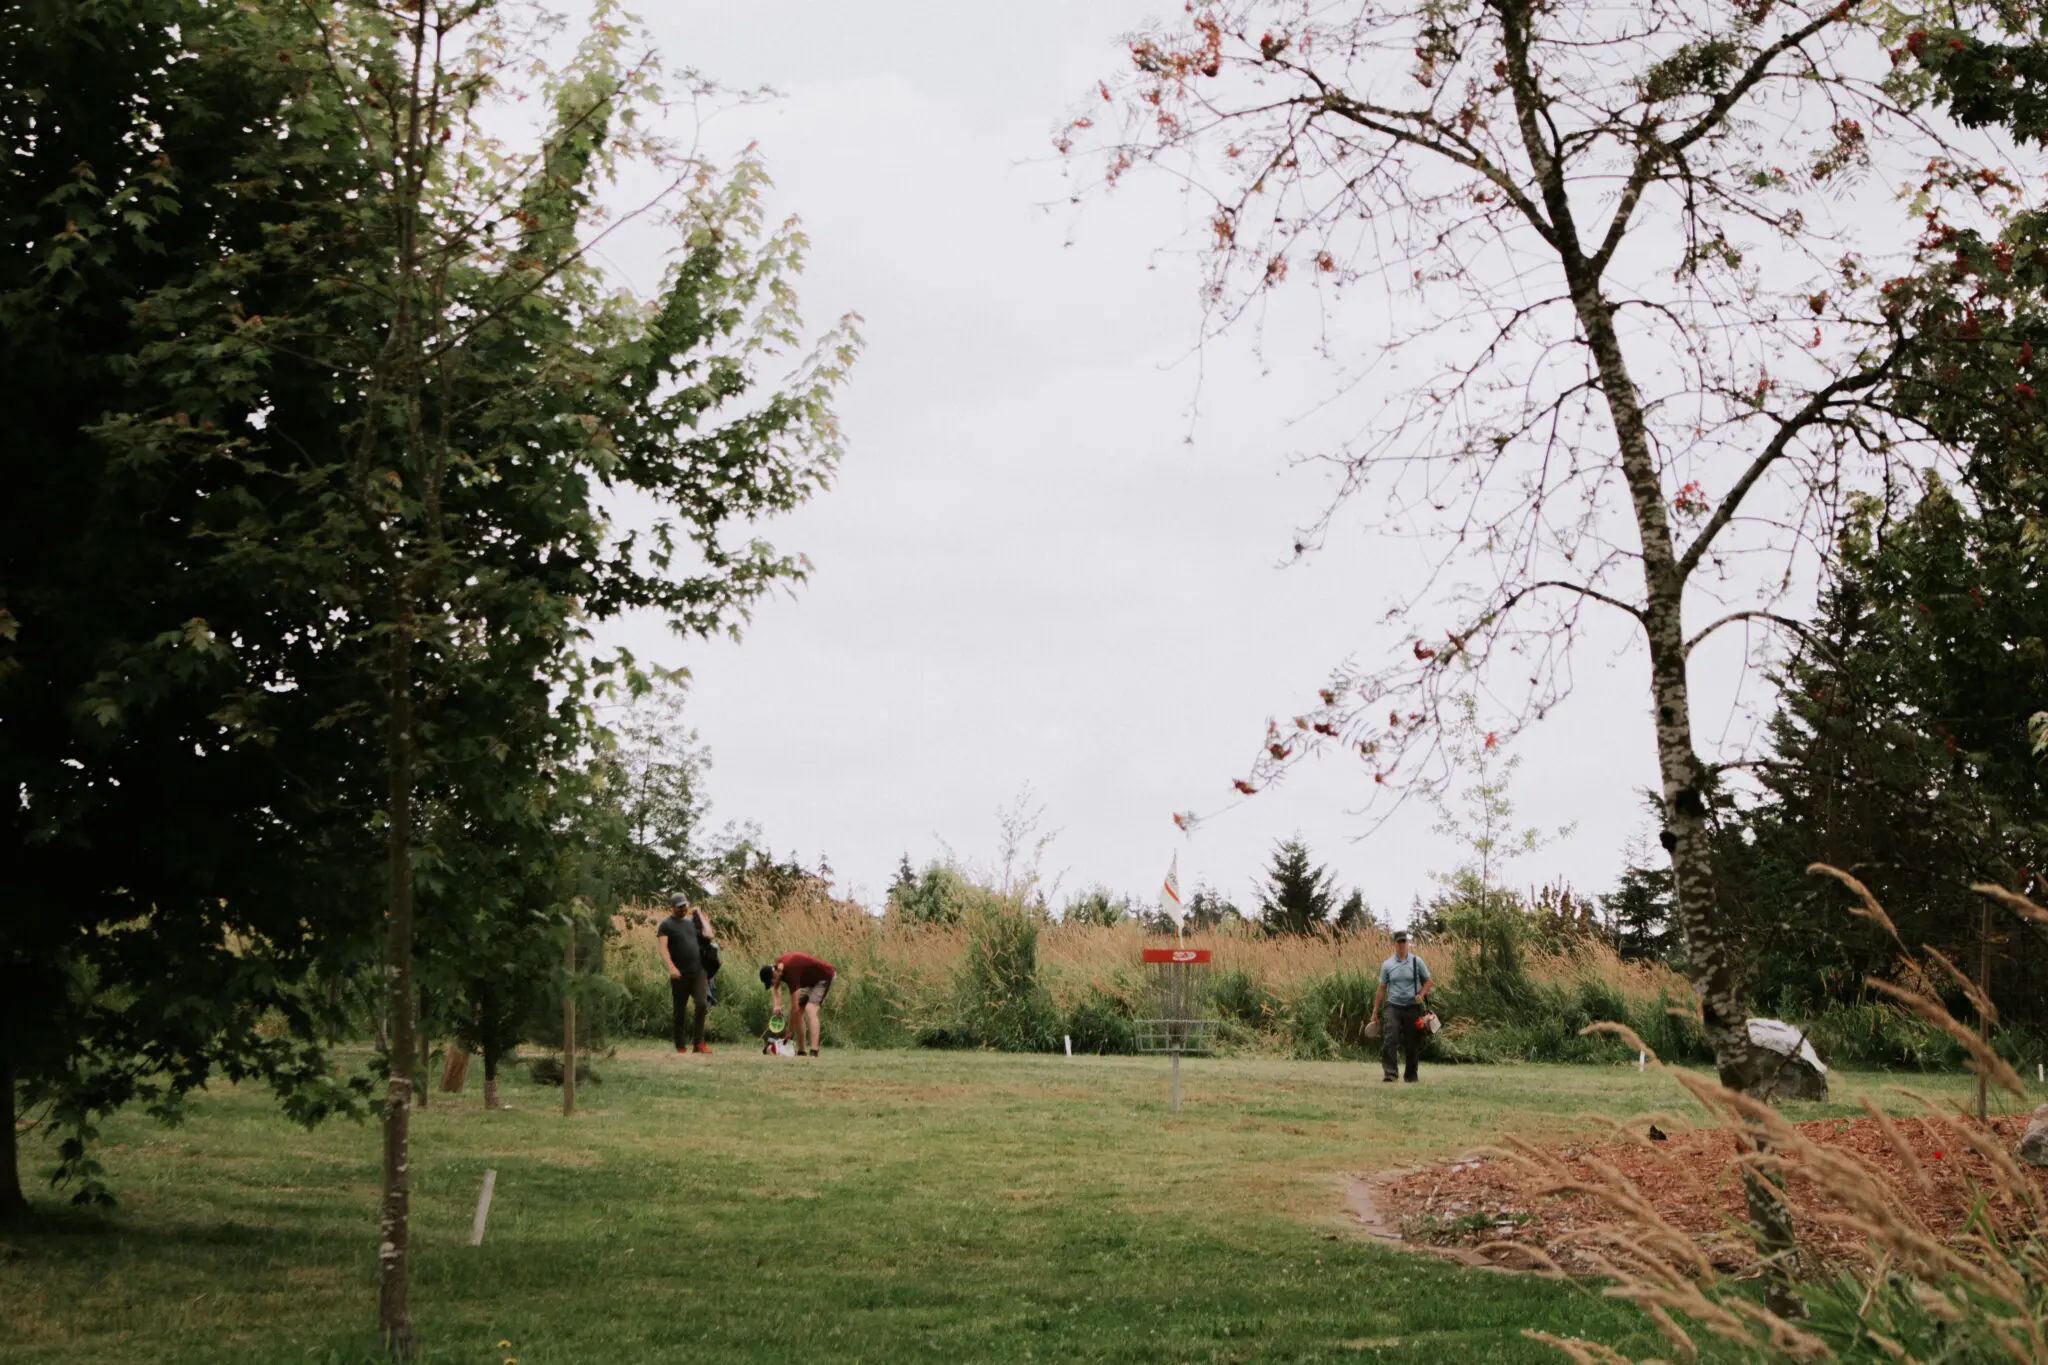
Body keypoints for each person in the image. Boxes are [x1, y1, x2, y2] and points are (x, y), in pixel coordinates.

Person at [656, 894, 716, 1055]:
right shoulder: (666, 925)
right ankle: (680, 1045)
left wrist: (700, 914)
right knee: (680, 1010)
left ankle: (699, 1044)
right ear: (672, 907)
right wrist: (671, 967)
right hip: (679, 973)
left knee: (702, 1004)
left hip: (698, 971)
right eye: (680, 906)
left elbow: (709, 935)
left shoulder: (691, 922)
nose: (683, 909)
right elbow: (662, 948)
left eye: (685, 906)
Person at [1372, 930, 1432, 1083]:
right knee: (1390, 1038)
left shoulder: (1416, 961)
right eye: (1399, 942)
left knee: (1412, 1043)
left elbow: (1428, 981)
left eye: (1404, 941)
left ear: (1408, 943)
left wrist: (1422, 995)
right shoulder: (1387, 965)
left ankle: (1411, 1076)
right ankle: (1390, 1073)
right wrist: (1374, 1012)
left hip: (1413, 1007)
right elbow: (1381, 989)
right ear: (1395, 944)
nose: (1402, 945)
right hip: (1393, 1007)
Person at [759, 951, 835, 1058]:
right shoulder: (779, 968)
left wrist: (789, 1032)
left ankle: (814, 1051)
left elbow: (794, 1006)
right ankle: (802, 1051)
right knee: (798, 1012)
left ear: (775, 973)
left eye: (772, 981)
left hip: (825, 976)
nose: (773, 984)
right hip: (810, 982)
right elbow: (775, 988)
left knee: (810, 1008)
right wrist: (777, 1005)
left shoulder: (791, 972)